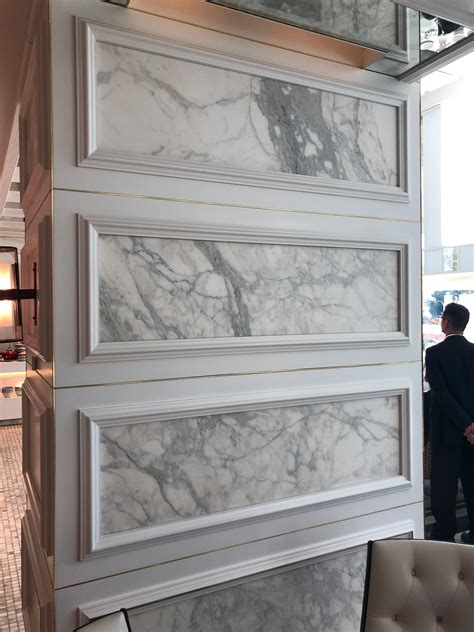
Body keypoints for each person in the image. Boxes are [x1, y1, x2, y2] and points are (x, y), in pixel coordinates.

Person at [425, 302, 474, 543]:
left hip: (446, 435)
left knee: (444, 493)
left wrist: (464, 423)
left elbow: (441, 394)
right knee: (472, 487)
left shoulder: (434, 354)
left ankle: (444, 539)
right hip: (473, 436)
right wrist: (470, 425)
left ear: (445, 322)